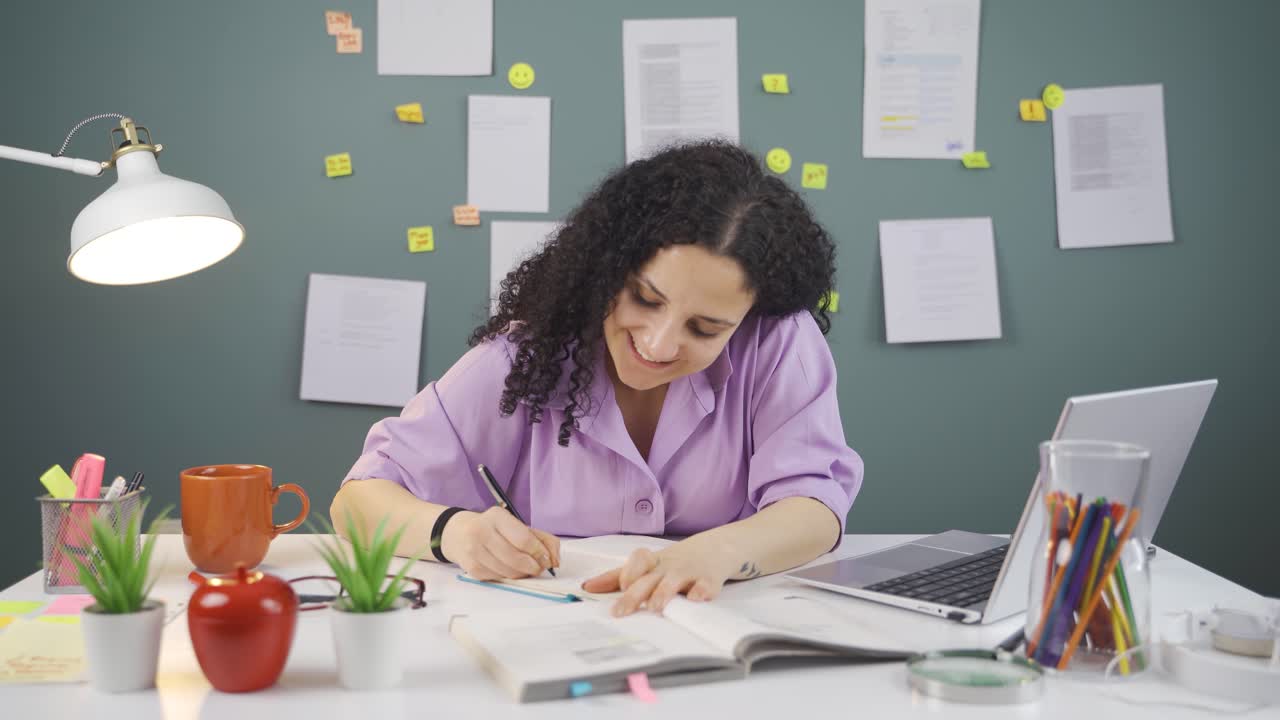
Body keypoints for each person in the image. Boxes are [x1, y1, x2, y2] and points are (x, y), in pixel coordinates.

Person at [331, 140, 863, 616]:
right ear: (608, 267)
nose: (658, 344)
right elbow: (356, 503)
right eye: (645, 299)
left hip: (724, 623)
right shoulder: (525, 357)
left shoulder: (778, 342)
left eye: (705, 329)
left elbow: (814, 505)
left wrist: (718, 551)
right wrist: (457, 532)